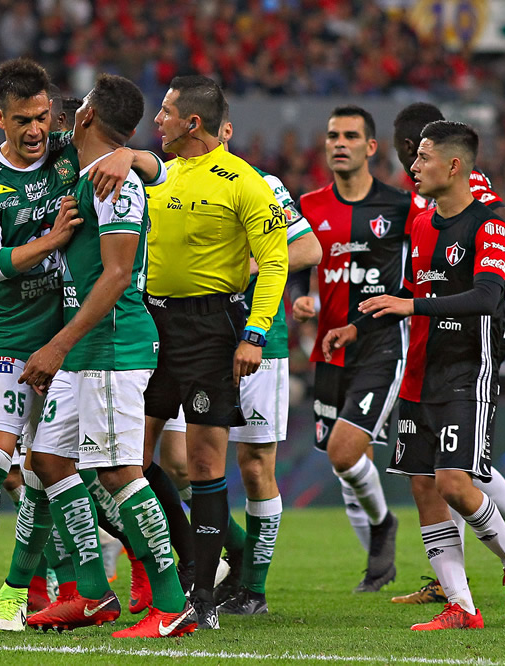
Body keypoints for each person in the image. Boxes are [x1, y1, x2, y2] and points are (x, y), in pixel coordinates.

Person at [0, 58, 166, 635]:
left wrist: (130, 155)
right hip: (14, 333)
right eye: (22, 120)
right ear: (0, 118)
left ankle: (25, 594)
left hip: (73, 335)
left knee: (61, 468)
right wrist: (54, 239)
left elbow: (155, 168)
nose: (36, 129)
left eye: (44, 116)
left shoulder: (74, 151)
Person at [323, 120, 505, 630]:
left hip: (467, 366)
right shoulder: (422, 224)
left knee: (455, 483)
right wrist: (356, 326)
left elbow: (486, 297)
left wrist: (412, 306)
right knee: (424, 486)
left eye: (423, 157)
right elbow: (407, 291)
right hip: (420, 368)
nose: (413, 167)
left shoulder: (488, 224)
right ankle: (461, 606)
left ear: (454, 165)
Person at [19, 73, 197, 638]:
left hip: (113, 345)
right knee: (49, 460)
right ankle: (94, 594)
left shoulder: (115, 183)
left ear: (89, 115)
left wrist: (57, 344)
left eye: (78, 108)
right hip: (86, 350)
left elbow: (118, 274)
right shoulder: (93, 169)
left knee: (120, 470)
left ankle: (172, 603)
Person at [389, 102, 505, 604]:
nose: (412, 164)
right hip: (433, 337)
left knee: (459, 467)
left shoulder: (471, 193)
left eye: (417, 154)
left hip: (476, 336)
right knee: (441, 472)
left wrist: (459, 279)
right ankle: (457, 586)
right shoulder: (426, 207)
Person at [145, 75, 288, 629]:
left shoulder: (247, 183)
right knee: (126, 462)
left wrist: (255, 334)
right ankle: (188, 559)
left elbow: (274, 261)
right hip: (151, 323)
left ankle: (202, 598)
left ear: (192, 122)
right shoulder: (158, 176)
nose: (157, 120)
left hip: (212, 328)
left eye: (165, 111)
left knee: (205, 463)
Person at [294, 105, 413, 593]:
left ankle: (384, 526)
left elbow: (415, 278)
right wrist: (304, 297)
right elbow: (301, 263)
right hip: (329, 349)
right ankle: (378, 570)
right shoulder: (309, 204)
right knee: (342, 462)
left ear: (371, 147)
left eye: (349, 136)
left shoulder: (400, 206)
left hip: (380, 346)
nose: (339, 143)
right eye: (332, 136)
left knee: (345, 452)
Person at [212, 107, 323, 615]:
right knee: (178, 463)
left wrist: (250, 263)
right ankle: (234, 550)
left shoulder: (264, 184)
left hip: (260, 341)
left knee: (255, 467)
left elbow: (308, 248)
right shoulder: (166, 181)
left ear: (226, 130)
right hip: (191, 339)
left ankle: (252, 588)